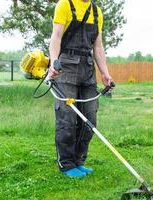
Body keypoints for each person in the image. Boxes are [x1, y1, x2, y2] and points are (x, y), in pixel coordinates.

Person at [48, 0, 113, 178]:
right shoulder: (65, 5)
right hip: (65, 68)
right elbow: (56, 37)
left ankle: (79, 161)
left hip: (87, 70)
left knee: (90, 119)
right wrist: (54, 62)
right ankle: (67, 164)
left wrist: (105, 73)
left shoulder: (96, 11)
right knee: (67, 119)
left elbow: (97, 46)